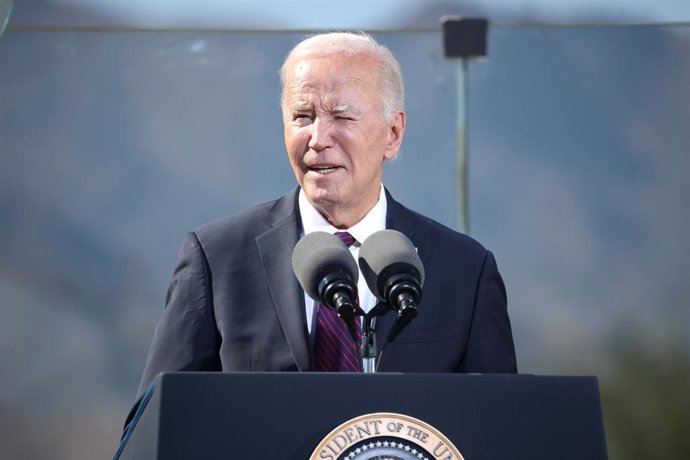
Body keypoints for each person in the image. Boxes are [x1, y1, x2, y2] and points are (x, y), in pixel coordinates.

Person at [135, 31, 516, 399]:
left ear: (393, 133)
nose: (318, 138)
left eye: (342, 116)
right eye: (302, 116)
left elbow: (500, 427)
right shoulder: (216, 259)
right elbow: (156, 420)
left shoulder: (465, 270)